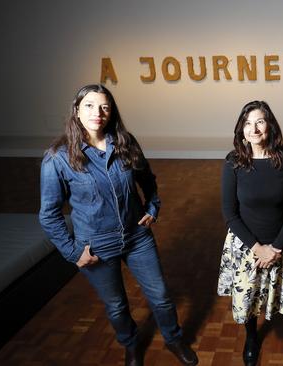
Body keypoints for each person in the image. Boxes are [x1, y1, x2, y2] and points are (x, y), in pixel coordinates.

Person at [39, 84, 198, 366]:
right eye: (89, 105)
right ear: (76, 110)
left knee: (160, 297)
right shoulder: (57, 157)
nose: (97, 113)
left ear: (111, 112)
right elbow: (49, 214)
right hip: (96, 245)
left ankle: (173, 339)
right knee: (116, 306)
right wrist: (73, 252)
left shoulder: (125, 142)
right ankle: (132, 344)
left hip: (137, 236)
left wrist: (152, 207)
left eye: (104, 106)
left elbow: (147, 180)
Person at [218, 100, 283, 366]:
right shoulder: (233, 162)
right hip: (247, 246)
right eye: (247, 123)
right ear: (241, 129)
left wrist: (277, 247)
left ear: (269, 125)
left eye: (259, 121)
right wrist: (257, 248)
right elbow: (229, 213)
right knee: (248, 299)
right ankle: (251, 338)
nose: (253, 129)